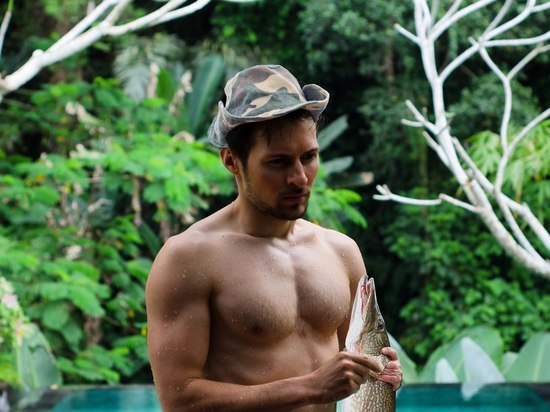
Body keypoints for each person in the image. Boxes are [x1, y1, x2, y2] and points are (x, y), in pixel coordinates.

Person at [145, 64, 402, 412]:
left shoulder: (341, 252)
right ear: (232, 161)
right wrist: (309, 388)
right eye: (278, 162)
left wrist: (380, 374)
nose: (300, 178)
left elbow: (355, 366)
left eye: (309, 157)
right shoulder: (190, 258)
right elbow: (178, 399)